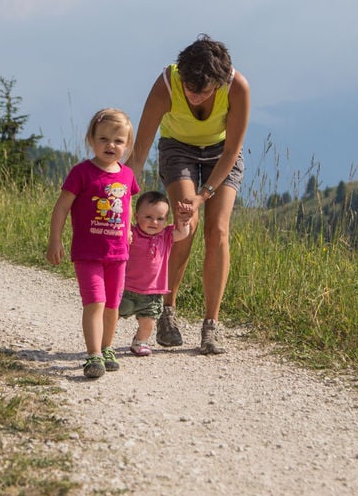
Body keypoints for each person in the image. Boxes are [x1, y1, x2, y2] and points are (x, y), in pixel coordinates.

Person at [124, 34, 250, 355]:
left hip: (222, 154)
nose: (192, 95)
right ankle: (168, 311)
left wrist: (204, 194)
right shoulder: (167, 85)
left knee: (217, 229)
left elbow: (233, 151)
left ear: (219, 84)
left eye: (202, 91)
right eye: (188, 88)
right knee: (185, 223)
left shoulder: (237, 88)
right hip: (178, 149)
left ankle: (211, 325)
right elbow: (138, 155)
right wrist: (120, 201)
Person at [47, 108, 140, 379]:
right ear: (91, 139)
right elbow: (62, 207)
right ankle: (93, 354)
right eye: (103, 139)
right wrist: (55, 239)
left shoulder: (127, 175)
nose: (111, 145)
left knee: (113, 306)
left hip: (118, 254)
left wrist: (129, 230)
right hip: (88, 254)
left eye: (118, 141)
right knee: (95, 302)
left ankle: (107, 347)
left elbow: (128, 204)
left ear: (127, 145)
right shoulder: (82, 173)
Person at [118, 190, 192, 356]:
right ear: (136, 217)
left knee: (148, 321)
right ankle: (103, 340)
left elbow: (183, 233)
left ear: (166, 221)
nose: (154, 222)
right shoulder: (132, 233)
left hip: (152, 292)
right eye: (148, 217)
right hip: (125, 289)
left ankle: (140, 342)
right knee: (112, 316)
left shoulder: (166, 236)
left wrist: (183, 221)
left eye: (160, 219)